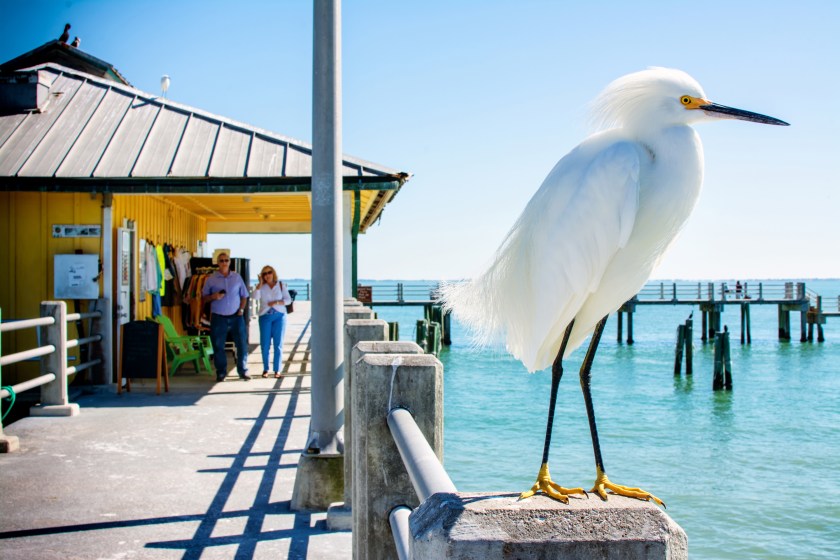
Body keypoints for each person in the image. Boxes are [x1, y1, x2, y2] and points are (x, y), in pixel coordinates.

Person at [201, 252, 250, 382]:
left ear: (229, 262)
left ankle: (243, 371)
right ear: (218, 263)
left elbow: (244, 295)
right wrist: (213, 296)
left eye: (226, 260)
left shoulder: (237, 277)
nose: (224, 263)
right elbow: (203, 298)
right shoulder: (211, 279)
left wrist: (241, 309)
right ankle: (221, 372)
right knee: (218, 346)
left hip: (236, 317)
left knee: (242, 345)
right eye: (221, 260)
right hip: (219, 317)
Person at [252, 265, 292, 379]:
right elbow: (254, 297)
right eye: (264, 274)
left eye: (269, 272)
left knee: (278, 344)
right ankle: (266, 369)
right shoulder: (261, 287)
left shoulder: (280, 284)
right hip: (265, 316)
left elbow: (288, 300)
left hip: (279, 316)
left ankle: (277, 370)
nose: (267, 275)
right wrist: (259, 284)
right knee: (265, 344)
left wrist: (276, 302)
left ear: (273, 273)